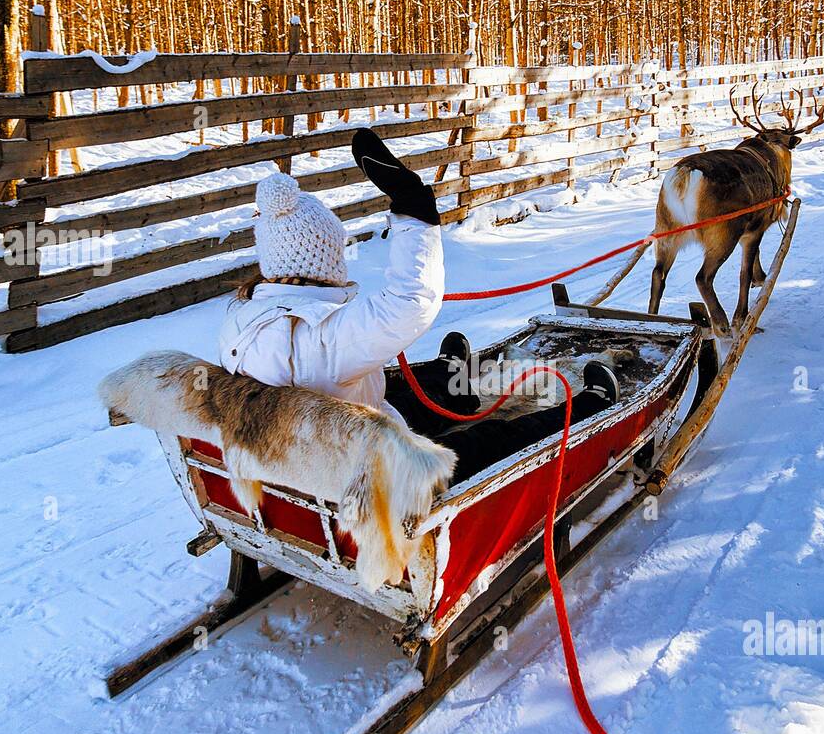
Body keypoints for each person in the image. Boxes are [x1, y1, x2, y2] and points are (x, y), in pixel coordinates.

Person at [218, 128, 619, 483]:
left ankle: (448, 381)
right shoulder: (319, 337)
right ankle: (590, 406)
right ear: (323, 260)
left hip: (306, 458)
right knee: (493, 439)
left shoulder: (243, 317)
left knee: (390, 394)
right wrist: (414, 209)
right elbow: (411, 301)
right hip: (372, 484)